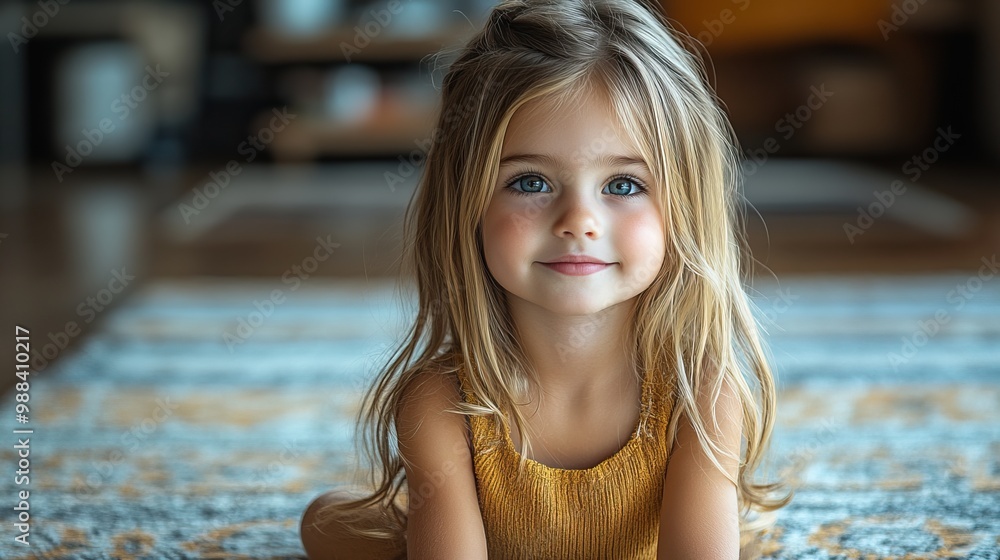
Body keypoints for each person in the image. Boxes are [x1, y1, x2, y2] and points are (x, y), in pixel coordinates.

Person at [300, 0, 792, 558]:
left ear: (685, 205)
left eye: (624, 185)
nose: (579, 221)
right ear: (469, 203)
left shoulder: (701, 395)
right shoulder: (442, 402)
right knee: (325, 524)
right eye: (530, 182)